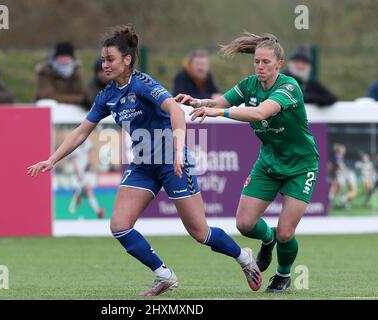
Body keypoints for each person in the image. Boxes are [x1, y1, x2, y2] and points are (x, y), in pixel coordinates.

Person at [28, 25, 262, 296]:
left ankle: (243, 257)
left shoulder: (143, 84)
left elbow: (175, 109)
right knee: (119, 226)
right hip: (142, 165)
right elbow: (82, 130)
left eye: (110, 59)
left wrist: (177, 150)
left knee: (201, 233)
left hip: (171, 161)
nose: (104, 64)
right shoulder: (108, 95)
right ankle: (164, 275)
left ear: (127, 60)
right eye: (103, 59)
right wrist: (52, 159)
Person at [176, 32, 320, 293]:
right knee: (244, 224)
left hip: (301, 166)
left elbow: (260, 112)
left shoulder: (289, 87)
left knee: (287, 232)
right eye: (257, 62)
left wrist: (218, 112)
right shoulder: (248, 85)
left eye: (266, 62)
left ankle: (283, 275)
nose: (260, 67)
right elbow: (219, 102)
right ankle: (268, 238)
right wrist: (198, 102)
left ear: (279, 63)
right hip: (268, 163)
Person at [35, 42, 89, 108]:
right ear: (55, 57)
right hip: (50, 111)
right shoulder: (45, 72)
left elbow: (83, 94)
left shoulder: (76, 72)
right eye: (61, 56)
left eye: (67, 56)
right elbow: (47, 96)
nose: (64, 59)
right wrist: (79, 100)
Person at [68, 139, 106, 219]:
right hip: (76, 174)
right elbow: (75, 164)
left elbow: (91, 155)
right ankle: (78, 194)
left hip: (85, 172)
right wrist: (81, 176)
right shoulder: (74, 146)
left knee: (88, 191)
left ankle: (98, 212)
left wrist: (90, 163)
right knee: (87, 189)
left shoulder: (88, 142)